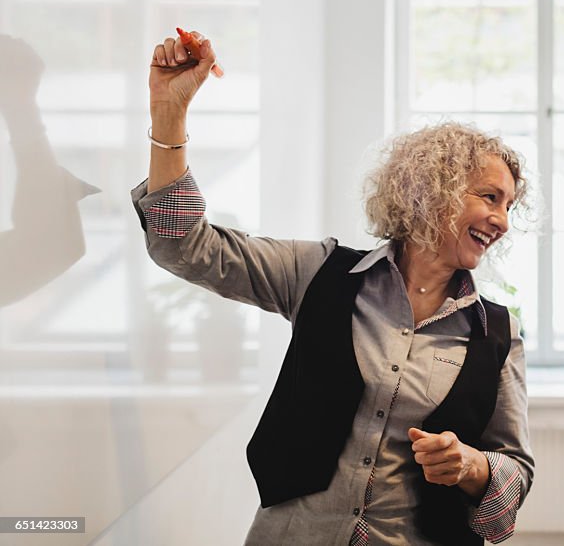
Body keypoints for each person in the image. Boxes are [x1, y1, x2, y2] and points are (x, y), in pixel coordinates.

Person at [131, 30, 534, 545]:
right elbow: (183, 245)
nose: (502, 220)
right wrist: (169, 114)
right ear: (432, 191)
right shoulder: (318, 273)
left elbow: (515, 470)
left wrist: (474, 465)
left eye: (509, 207)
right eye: (490, 197)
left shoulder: (499, 333)